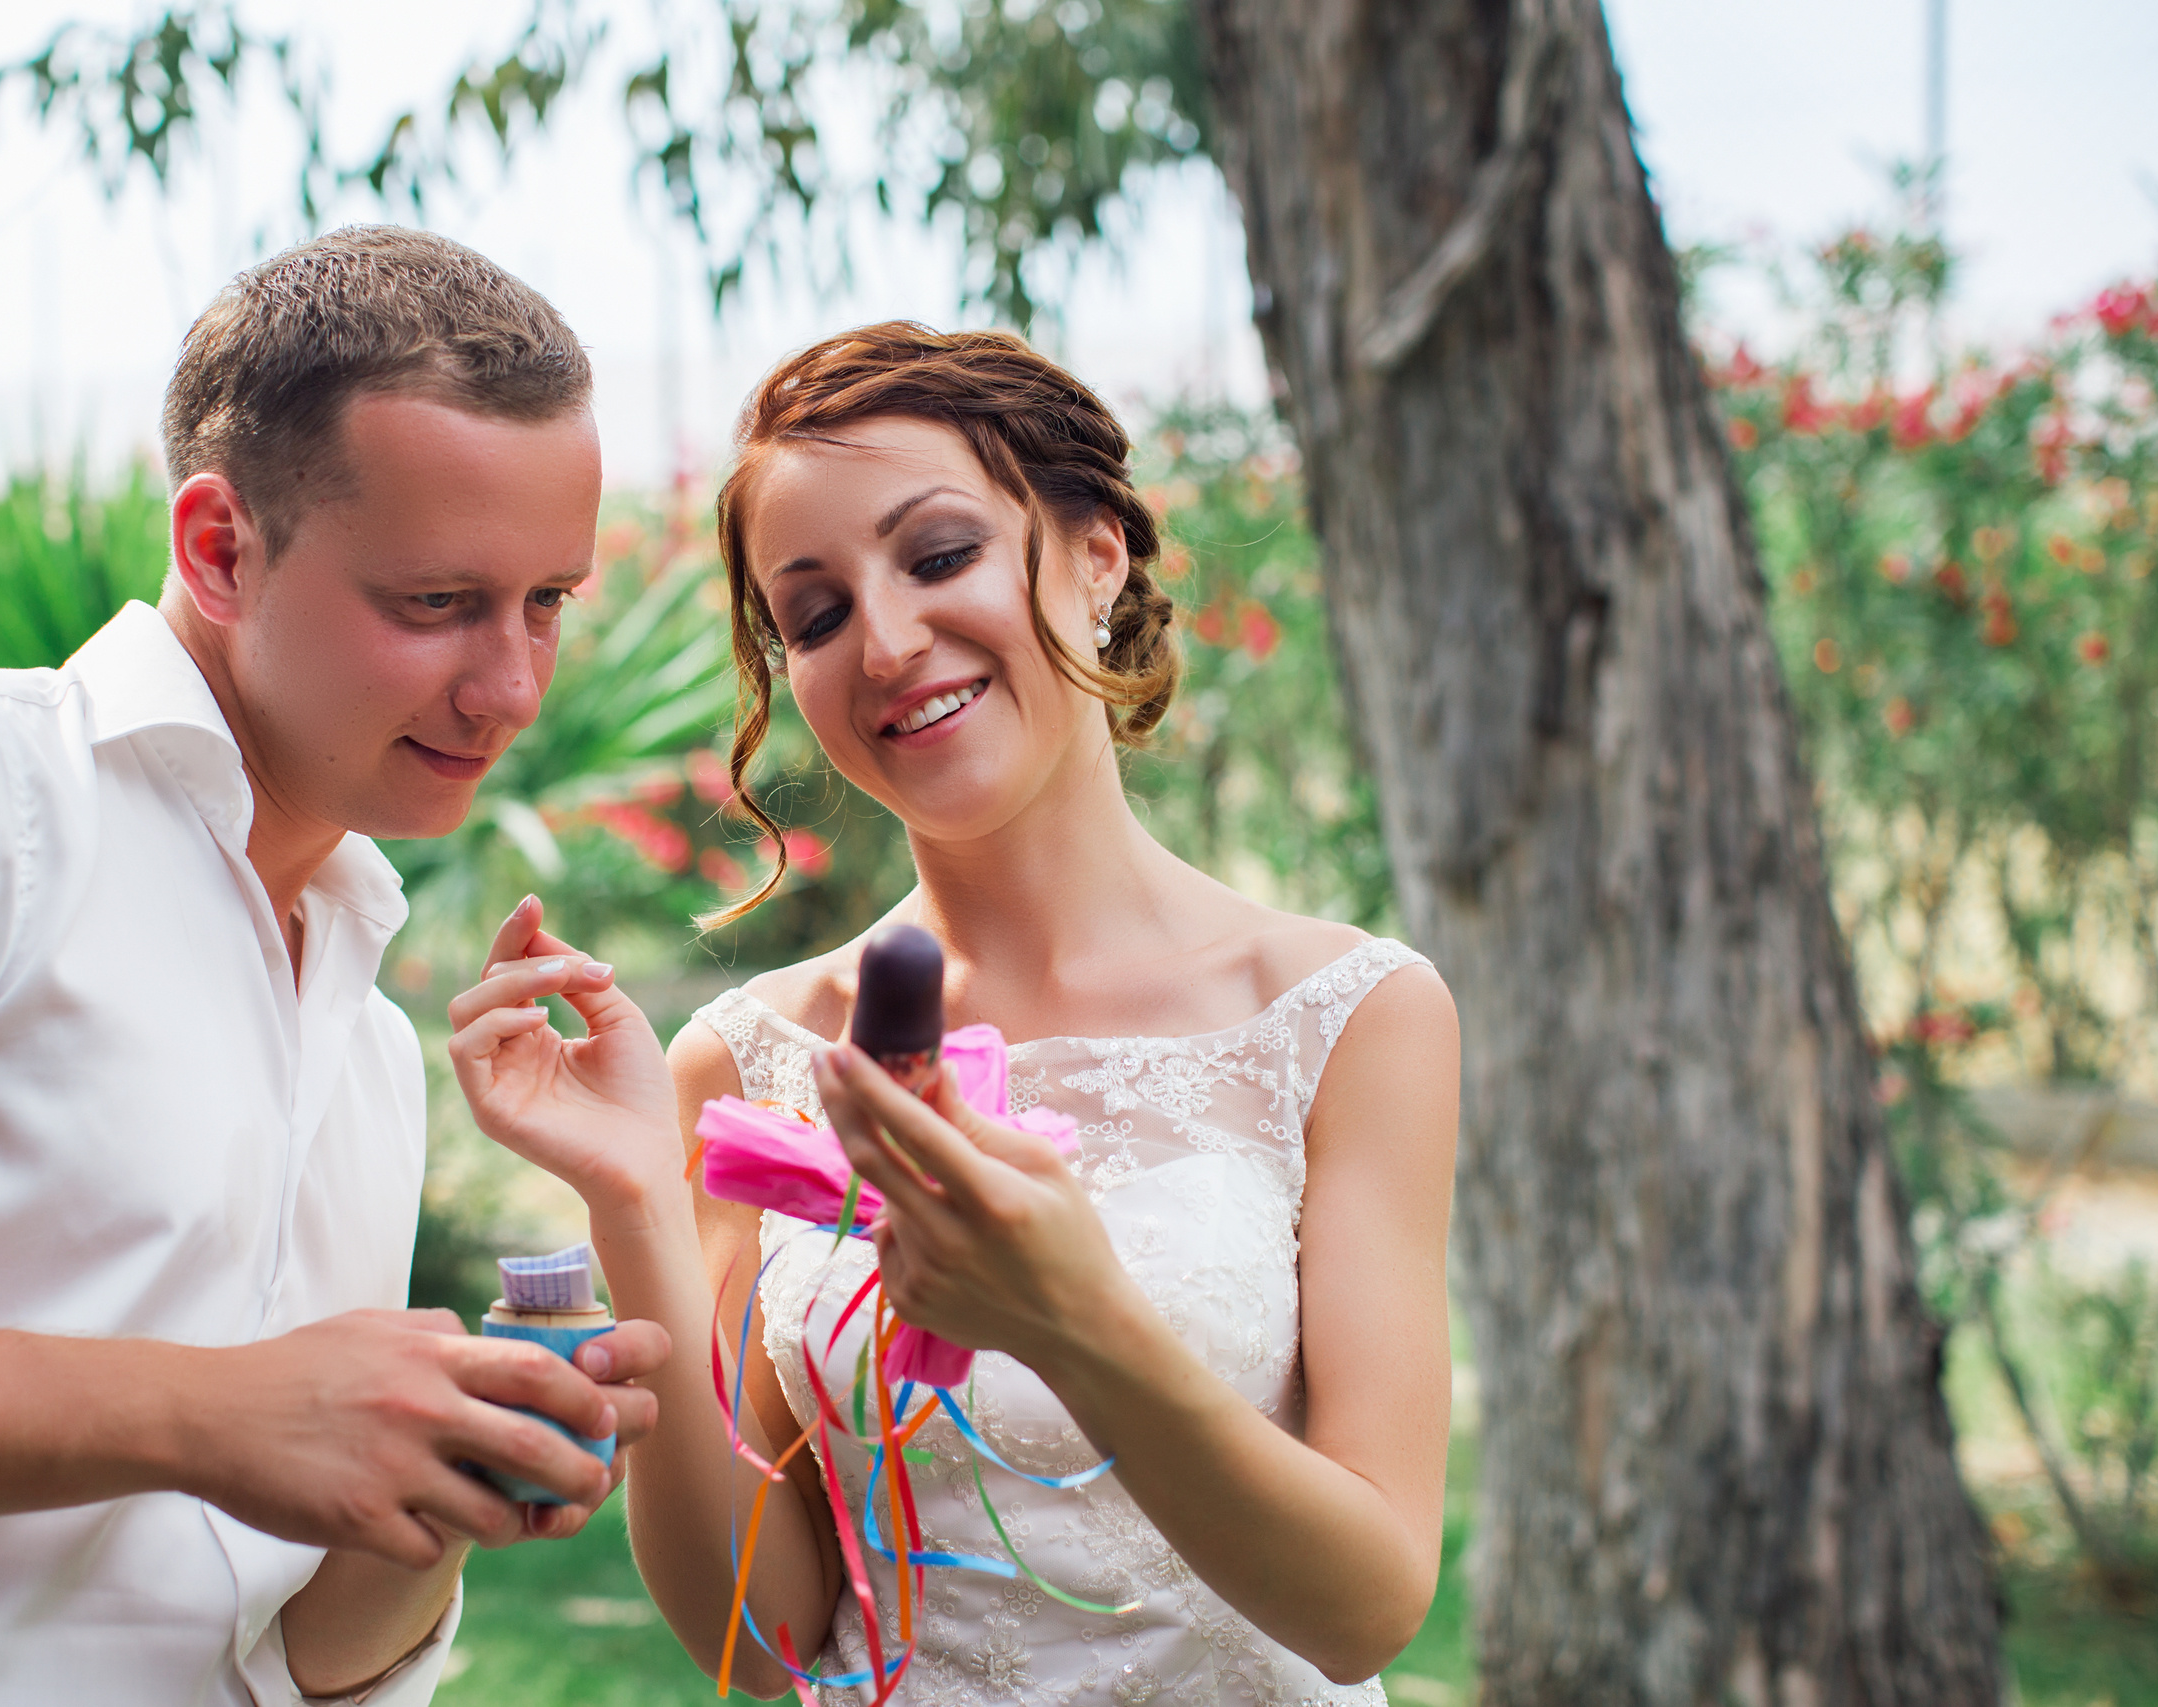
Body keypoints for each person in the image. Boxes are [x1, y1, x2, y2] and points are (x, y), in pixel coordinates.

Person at [0, 226, 669, 1707]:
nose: (511, 687)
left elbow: (294, 1659)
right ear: (220, 548)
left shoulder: (366, 1043)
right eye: (437, 603)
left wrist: (455, 1481)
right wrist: (214, 1413)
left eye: (547, 600)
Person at [449, 323, 1459, 1704]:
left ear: (1096, 551)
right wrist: (635, 1207)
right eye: (815, 614)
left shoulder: (1347, 1018)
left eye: (938, 556)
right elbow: (765, 1641)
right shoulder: (749, 1061)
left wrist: (1070, 1317)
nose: (888, 639)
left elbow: (1367, 1611)